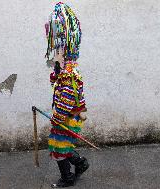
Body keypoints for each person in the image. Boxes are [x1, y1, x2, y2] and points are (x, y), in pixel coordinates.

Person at [45, 2, 89, 188]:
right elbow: (58, 87)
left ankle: (67, 178)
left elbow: (67, 98)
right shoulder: (65, 72)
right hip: (71, 116)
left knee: (59, 147)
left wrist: (57, 117)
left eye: (57, 51)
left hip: (68, 117)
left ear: (64, 51)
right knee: (63, 145)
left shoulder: (69, 74)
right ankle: (80, 164)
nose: (55, 54)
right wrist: (55, 71)